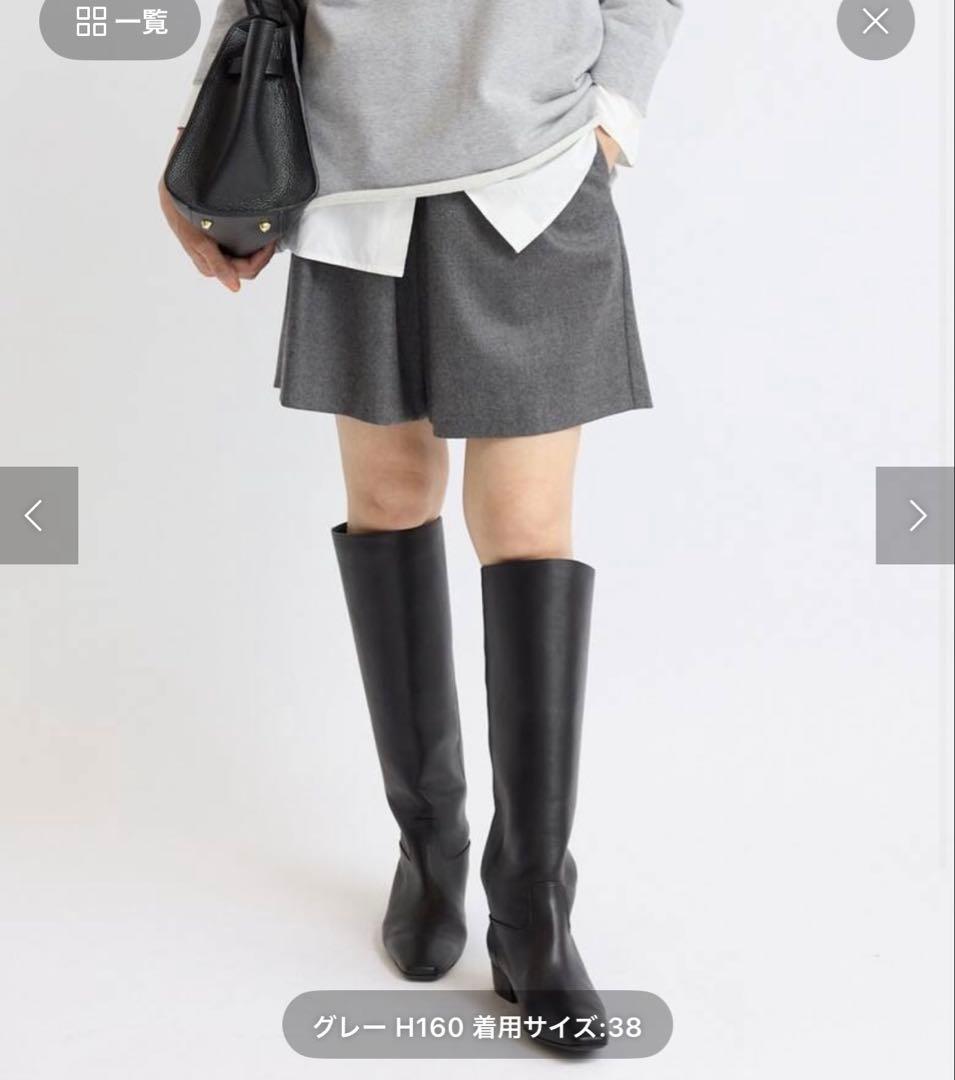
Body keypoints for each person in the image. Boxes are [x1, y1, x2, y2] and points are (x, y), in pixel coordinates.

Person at [160, 0, 683, 1053]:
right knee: (392, 498)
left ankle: (530, 903)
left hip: (534, 170)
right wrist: (203, 140)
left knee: (526, 520)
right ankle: (430, 847)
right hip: (349, 174)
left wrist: (610, 118)